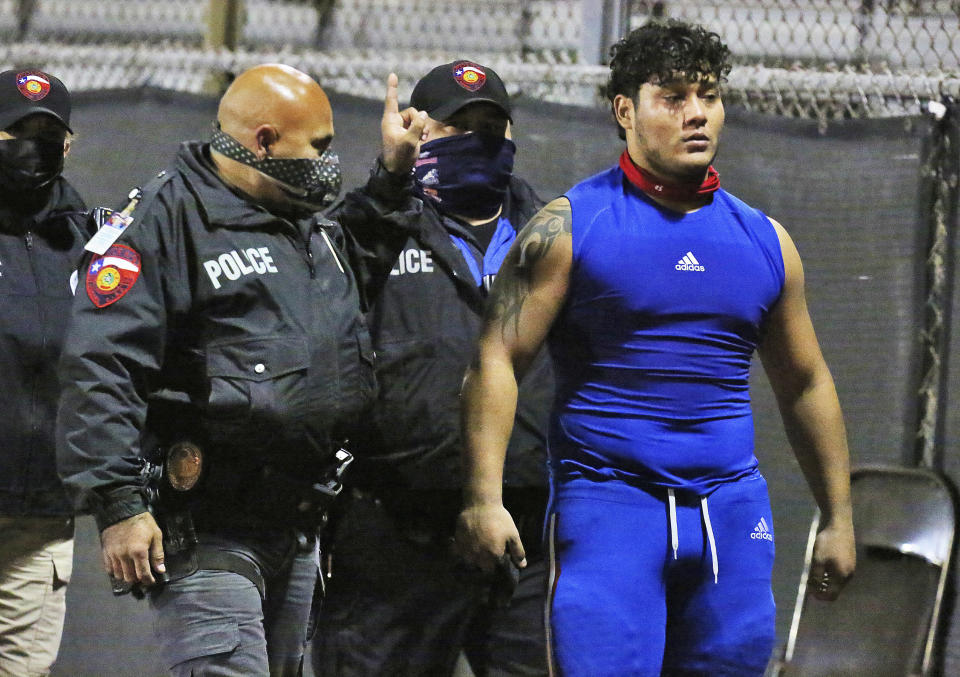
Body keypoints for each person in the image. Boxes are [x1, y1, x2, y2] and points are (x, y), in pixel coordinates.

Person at [455, 20, 856, 677]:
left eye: (708, 94)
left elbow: (805, 382)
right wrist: (483, 497)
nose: (696, 113)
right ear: (625, 110)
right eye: (673, 96)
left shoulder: (765, 240)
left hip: (731, 512)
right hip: (612, 507)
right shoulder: (566, 227)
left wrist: (838, 516)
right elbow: (496, 358)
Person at [56, 63, 425, 676]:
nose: (329, 162)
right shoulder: (163, 222)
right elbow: (104, 362)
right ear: (264, 142)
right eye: (320, 147)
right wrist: (118, 502)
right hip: (211, 524)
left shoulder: (299, 214)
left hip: (298, 522)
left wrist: (391, 177)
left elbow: (348, 269)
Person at [312, 60, 552, 677]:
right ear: (417, 128)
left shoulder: (552, 232)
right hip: (397, 536)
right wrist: (390, 180)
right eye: (457, 126)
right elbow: (327, 282)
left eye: (491, 126)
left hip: (523, 536)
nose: (478, 140)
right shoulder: (376, 225)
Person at [0, 68, 89, 677]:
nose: (34, 147)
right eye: (16, 132)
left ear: (69, 143)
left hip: (39, 510)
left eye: (47, 134)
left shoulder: (88, 238)